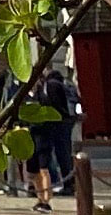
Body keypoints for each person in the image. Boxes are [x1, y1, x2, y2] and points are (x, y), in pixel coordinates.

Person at [31, 60, 79, 196]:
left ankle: (68, 185)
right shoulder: (60, 83)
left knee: (62, 154)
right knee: (63, 154)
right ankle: (68, 183)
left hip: (59, 124)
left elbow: (55, 106)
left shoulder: (51, 85)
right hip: (64, 123)